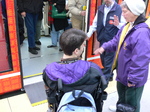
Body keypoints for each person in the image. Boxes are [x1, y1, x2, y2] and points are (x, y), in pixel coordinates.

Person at [94, 0, 150, 112]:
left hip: (132, 77)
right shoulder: (127, 26)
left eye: (125, 12)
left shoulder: (142, 32)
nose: (122, 14)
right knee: (122, 100)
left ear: (135, 12)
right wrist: (104, 47)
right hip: (123, 73)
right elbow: (116, 41)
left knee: (131, 105)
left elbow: (141, 59)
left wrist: (133, 79)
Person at [43, 28, 106, 112]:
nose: (84, 46)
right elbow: (103, 86)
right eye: (83, 44)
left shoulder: (49, 70)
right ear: (76, 51)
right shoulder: (93, 69)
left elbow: (48, 90)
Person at [87, 0, 126, 82]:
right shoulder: (100, 9)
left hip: (112, 39)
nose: (106, 0)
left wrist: (118, 24)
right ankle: (110, 75)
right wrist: (88, 34)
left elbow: (125, 25)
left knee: (109, 60)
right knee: (103, 58)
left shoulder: (119, 9)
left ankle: (105, 80)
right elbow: (95, 23)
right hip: (102, 38)